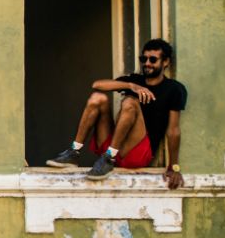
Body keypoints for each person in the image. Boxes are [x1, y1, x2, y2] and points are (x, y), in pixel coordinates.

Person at [46, 38, 186, 186]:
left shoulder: (174, 89)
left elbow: (173, 131)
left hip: (138, 153)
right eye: (143, 59)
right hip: (114, 147)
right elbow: (97, 85)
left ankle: (109, 157)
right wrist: (131, 85)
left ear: (165, 62)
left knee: (130, 102)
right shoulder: (135, 80)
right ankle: (74, 152)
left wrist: (174, 166)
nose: (147, 63)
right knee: (97, 98)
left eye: (153, 59)